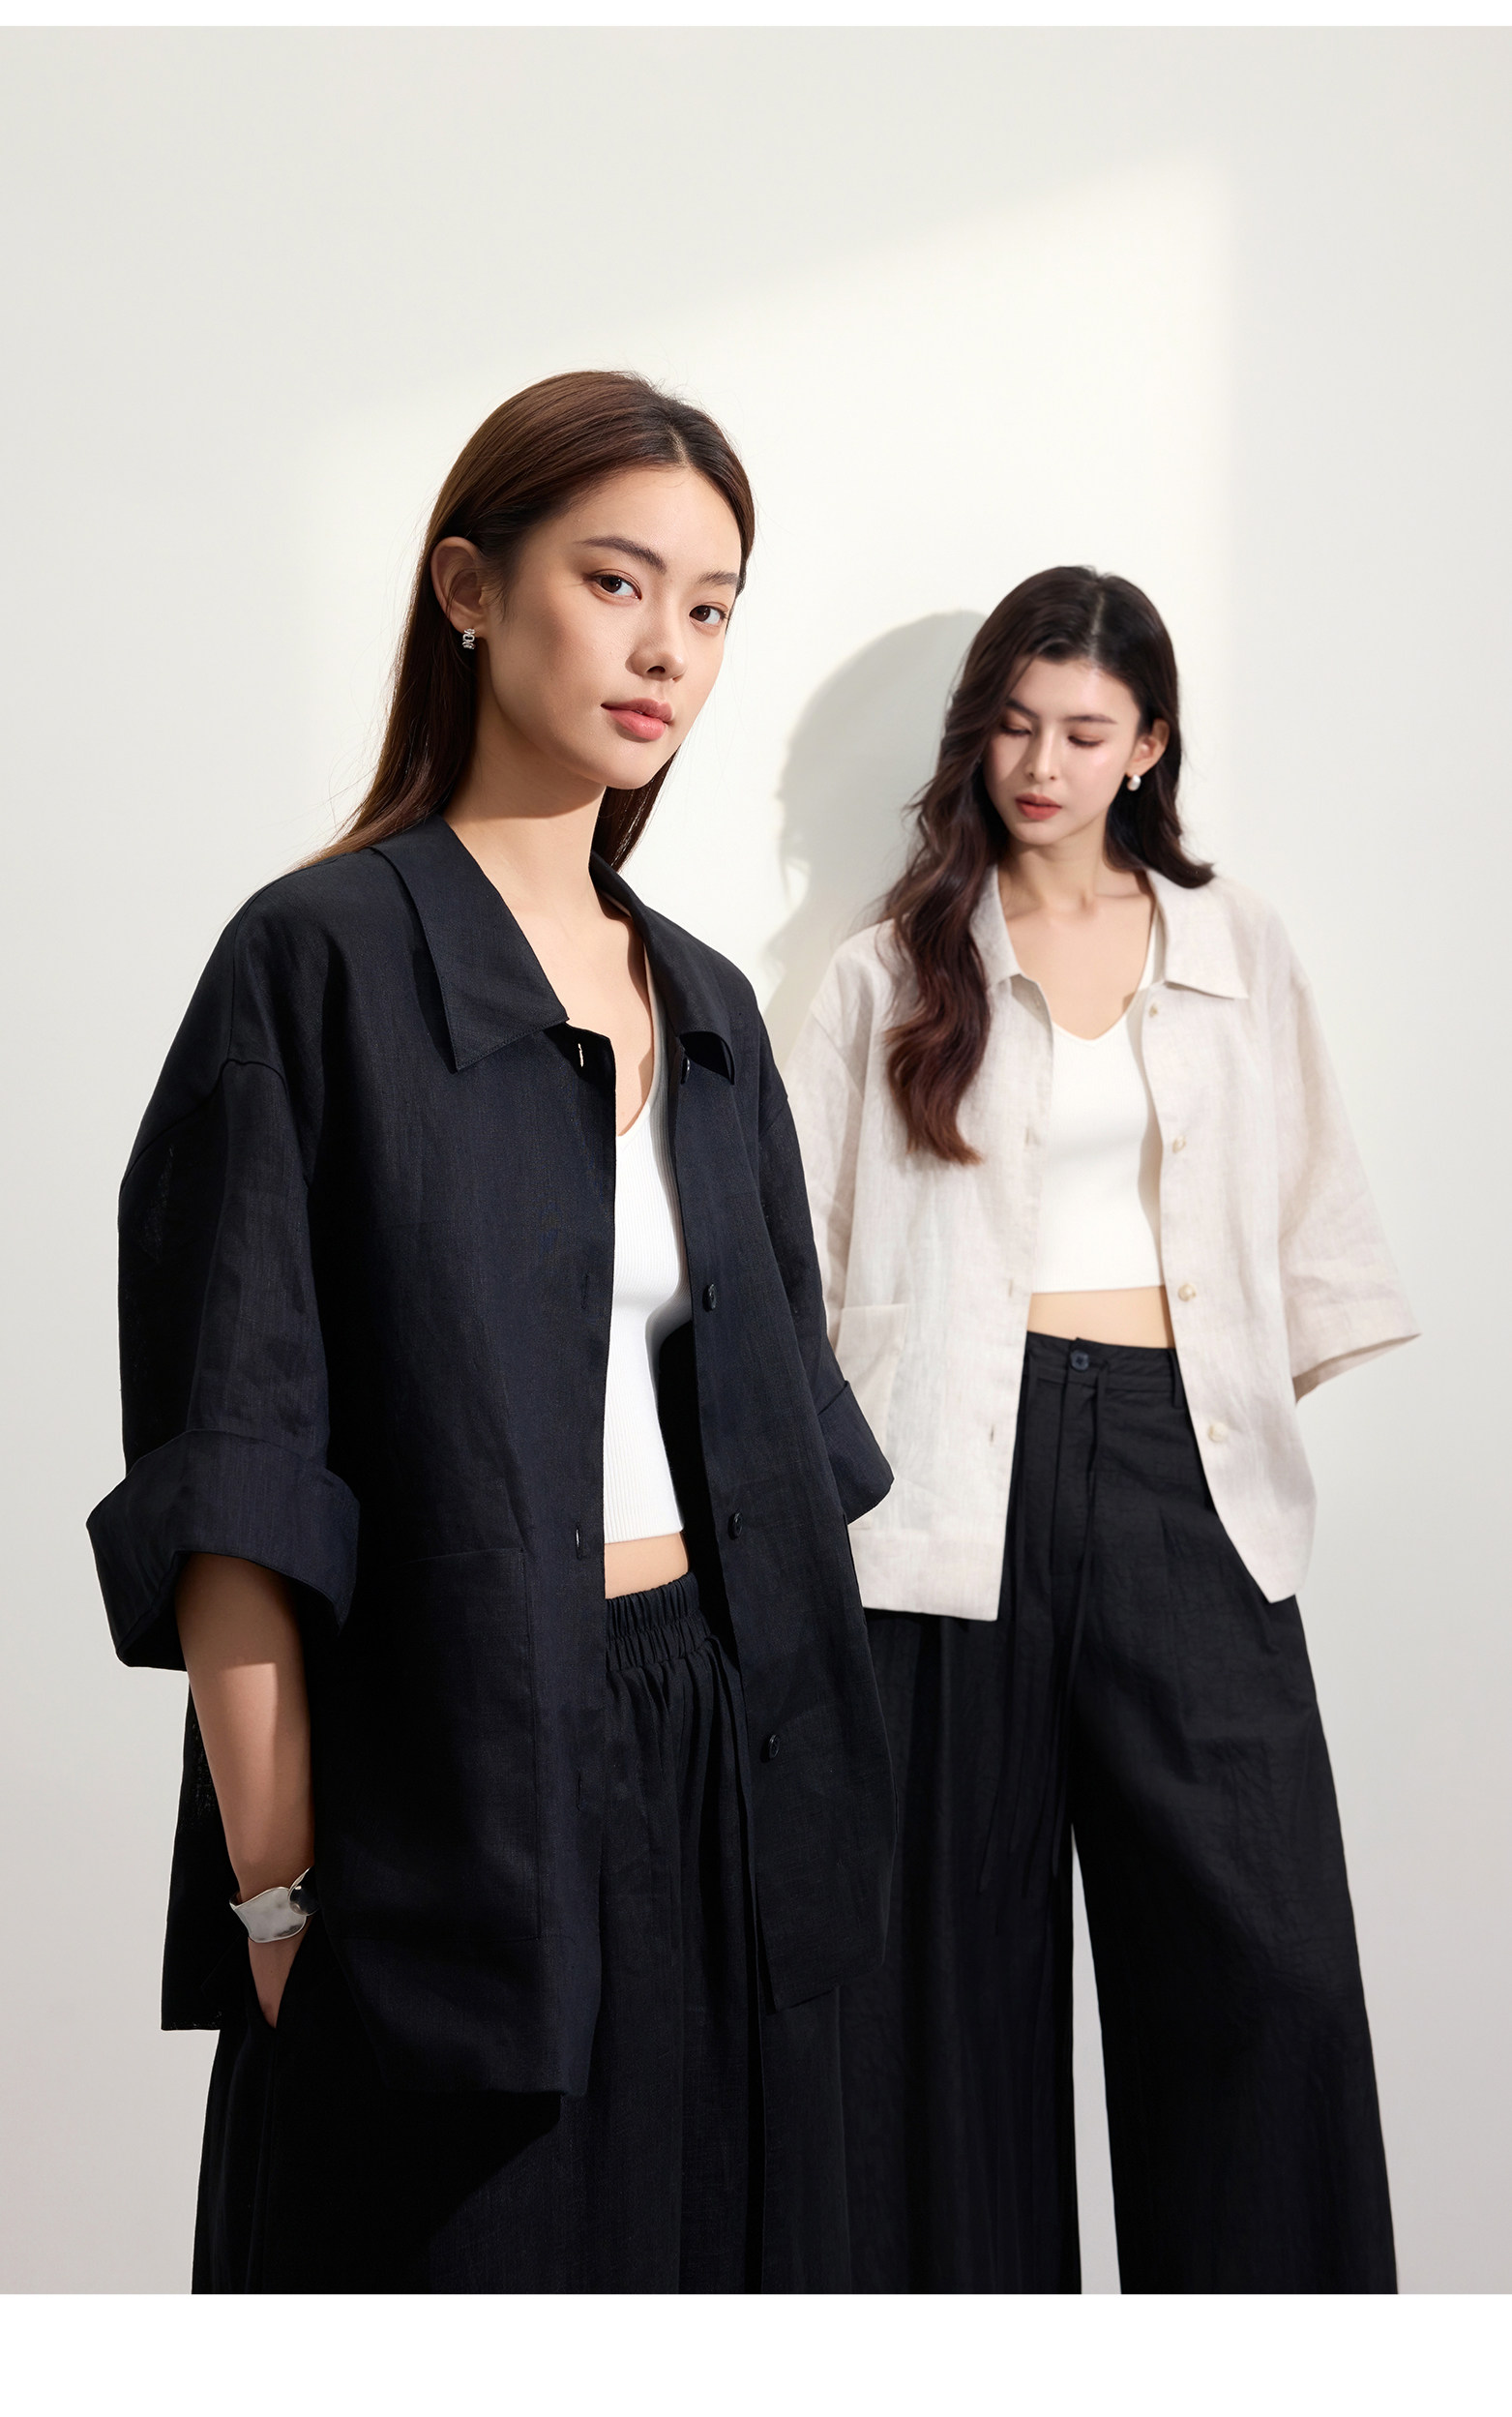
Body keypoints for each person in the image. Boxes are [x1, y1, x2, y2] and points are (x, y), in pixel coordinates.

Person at [88, 371, 895, 2293]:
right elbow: (236, 1475)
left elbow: (796, 1451)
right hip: (438, 1766)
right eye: (616, 581)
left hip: (727, 1750)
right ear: (467, 588)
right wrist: (275, 1885)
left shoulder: (706, 1005)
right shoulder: (316, 963)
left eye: (710, 605)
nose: (667, 648)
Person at [786, 565, 1414, 2293]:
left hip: (1175, 1466)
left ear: (1149, 744)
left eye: (1082, 731)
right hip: (941, 1489)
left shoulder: (1235, 948)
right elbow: (799, 1258)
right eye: (1013, 725)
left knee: (1266, 1965)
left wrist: (1198, 1421)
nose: (1042, 765)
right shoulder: (887, 970)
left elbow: (1307, 1218)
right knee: (945, 1993)